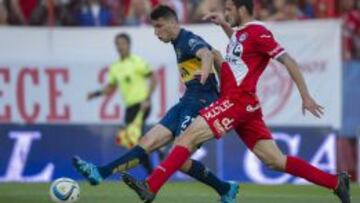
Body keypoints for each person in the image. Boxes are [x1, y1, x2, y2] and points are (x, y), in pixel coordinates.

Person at [121, 1, 351, 203]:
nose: (226, 11)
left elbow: (288, 61)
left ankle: (151, 186)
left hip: (237, 101)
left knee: (187, 137)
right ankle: (334, 182)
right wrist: (224, 25)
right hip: (244, 105)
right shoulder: (241, 33)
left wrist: (306, 96)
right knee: (275, 160)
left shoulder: (259, 32)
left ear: (242, 9)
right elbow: (243, 52)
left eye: (229, 8)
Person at [73, 5, 239, 203]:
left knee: (179, 154)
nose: (156, 33)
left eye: (159, 27)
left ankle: (221, 188)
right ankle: (101, 172)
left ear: (172, 23)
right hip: (188, 100)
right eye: (154, 28)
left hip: (202, 102)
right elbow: (215, 53)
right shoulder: (178, 42)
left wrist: (205, 74)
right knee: (147, 143)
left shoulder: (187, 39)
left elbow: (206, 54)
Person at [78, 32, 158, 175]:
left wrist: (147, 98)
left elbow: (154, 78)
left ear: (129, 45)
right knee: (134, 142)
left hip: (142, 104)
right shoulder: (115, 67)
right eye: (118, 44)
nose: (120, 46)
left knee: (132, 139)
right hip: (130, 107)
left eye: (123, 43)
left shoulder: (137, 61)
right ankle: (159, 152)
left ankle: (153, 167)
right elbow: (110, 88)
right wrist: (95, 94)